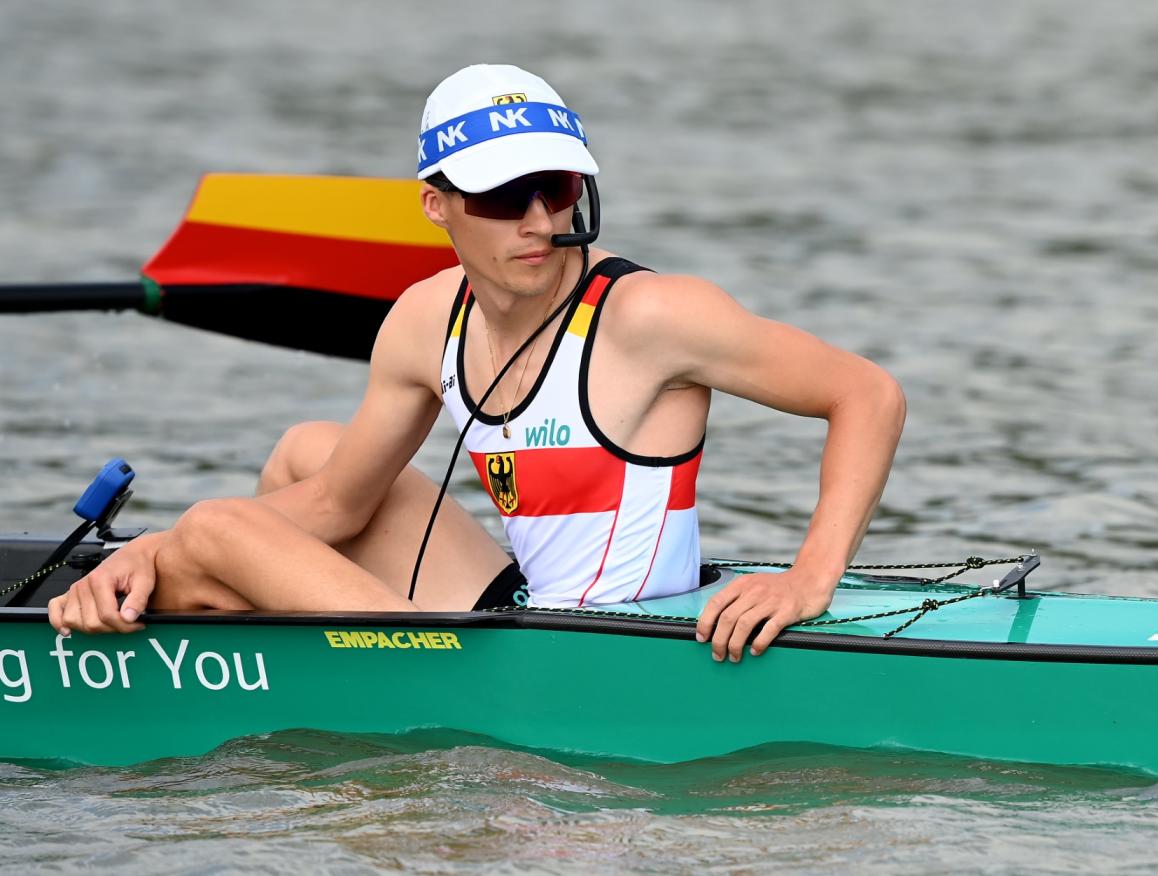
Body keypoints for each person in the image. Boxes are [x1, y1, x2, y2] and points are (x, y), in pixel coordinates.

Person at [47, 64, 906, 662]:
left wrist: (807, 580)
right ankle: (320, 643)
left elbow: (867, 394)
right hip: (526, 610)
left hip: (616, 644)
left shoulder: (651, 315)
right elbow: (340, 502)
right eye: (500, 196)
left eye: (555, 189)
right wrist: (149, 547)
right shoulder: (425, 319)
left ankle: (388, 662)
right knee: (306, 450)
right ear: (436, 205)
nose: (537, 221)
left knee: (214, 531)